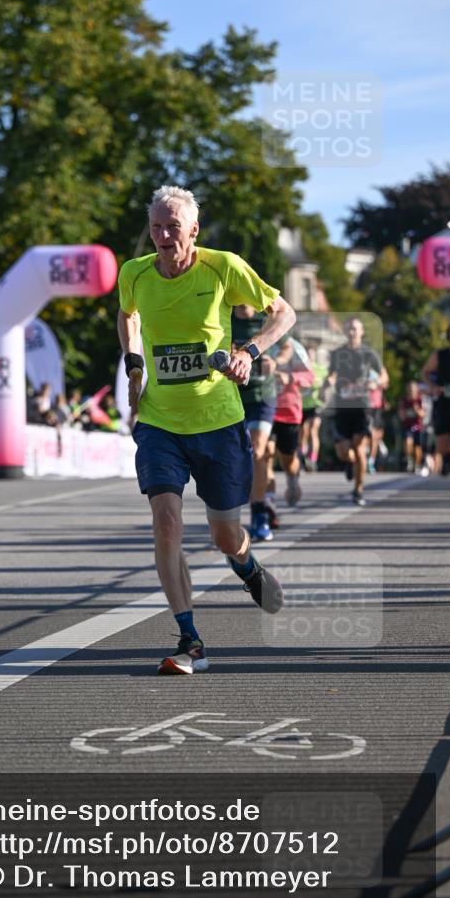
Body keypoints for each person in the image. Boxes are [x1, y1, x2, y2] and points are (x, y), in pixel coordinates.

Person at [118, 185, 296, 675]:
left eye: (173, 226)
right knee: (166, 520)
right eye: (156, 226)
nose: (163, 235)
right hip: (159, 422)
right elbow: (127, 315)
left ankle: (247, 567)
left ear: (193, 230)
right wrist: (135, 367)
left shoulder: (223, 266)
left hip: (218, 422)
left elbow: (284, 312)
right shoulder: (134, 273)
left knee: (224, 534)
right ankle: (190, 638)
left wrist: (248, 352)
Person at [320, 317, 388, 507]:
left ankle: (358, 489)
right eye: (349, 329)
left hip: (363, 406)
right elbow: (332, 373)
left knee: (359, 449)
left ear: (361, 332)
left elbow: (384, 375)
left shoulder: (369, 354)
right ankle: (350, 464)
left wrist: (376, 382)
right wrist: (329, 382)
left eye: (355, 329)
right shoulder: (338, 353)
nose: (352, 332)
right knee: (343, 452)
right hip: (342, 406)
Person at [232, 305, 278, 541]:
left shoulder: (266, 320)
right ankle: (231, 517)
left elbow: (287, 347)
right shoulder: (224, 318)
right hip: (234, 397)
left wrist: (275, 360)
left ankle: (258, 514)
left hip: (262, 396)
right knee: (240, 457)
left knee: (258, 451)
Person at [266, 336, 314, 509]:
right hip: (263, 407)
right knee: (264, 453)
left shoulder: (295, 347)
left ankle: (293, 478)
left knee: (288, 461)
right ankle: (268, 500)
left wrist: (290, 377)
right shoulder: (254, 340)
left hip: (288, 411)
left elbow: (309, 377)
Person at [421, 320, 450, 488]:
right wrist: (433, 387)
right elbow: (425, 372)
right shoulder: (440, 355)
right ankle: (447, 457)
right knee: (443, 442)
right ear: (449, 335)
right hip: (444, 402)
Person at [300, 345, 328, 471]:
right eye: (307, 354)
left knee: (313, 430)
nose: (310, 357)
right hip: (301, 405)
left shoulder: (320, 369)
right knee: (303, 433)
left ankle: (312, 459)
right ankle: (303, 455)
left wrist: (326, 386)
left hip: (316, 404)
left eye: (311, 354)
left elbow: (331, 378)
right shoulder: (299, 369)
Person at [399, 380, 428, 475]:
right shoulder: (404, 400)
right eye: (409, 389)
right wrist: (404, 414)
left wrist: (417, 410)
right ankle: (409, 460)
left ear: (416, 390)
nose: (411, 391)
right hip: (408, 426)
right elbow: (402, 415)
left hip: (418, 427)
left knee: (417, 448)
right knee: (408, 442)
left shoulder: (420, 400)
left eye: (413, 389)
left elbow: (423, 414)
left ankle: (417, 464)